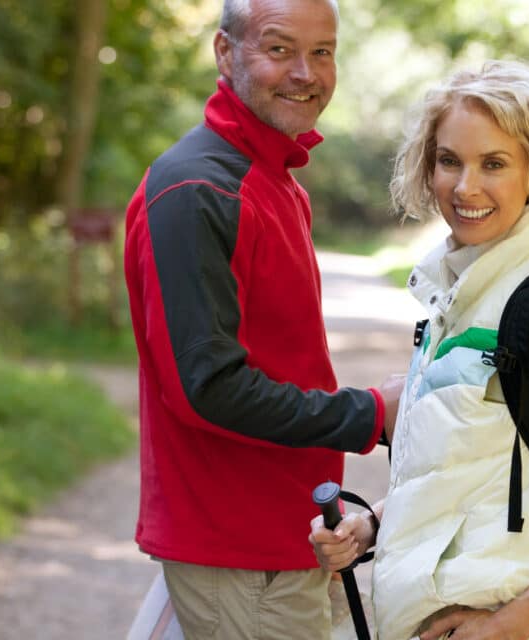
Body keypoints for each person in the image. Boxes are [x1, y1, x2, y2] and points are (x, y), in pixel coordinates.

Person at [309, 61, 529, 640]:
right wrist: (374, 526)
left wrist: (505, 627)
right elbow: (472, 473)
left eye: (494, 164)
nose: (464, 187)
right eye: (449, 160)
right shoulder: (463, 298)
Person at [122, 0, 401, 638]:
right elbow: (208, 389)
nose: (306, 71)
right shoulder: (198, 191)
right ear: (226, 53)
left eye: (323, 51)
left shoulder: (275, 181)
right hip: (240, 555)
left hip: (287, 537)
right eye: (278, 49)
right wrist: (370, 413)